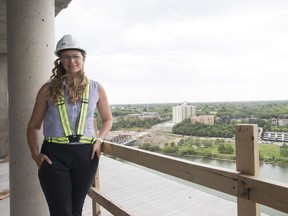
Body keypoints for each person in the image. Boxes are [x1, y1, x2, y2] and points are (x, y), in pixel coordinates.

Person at [26, 34, 113, 216]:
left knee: (75, 210)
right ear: (60, 60)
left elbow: (107, 120)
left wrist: (99, 140)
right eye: (66, 56)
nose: (71, 61)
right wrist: (35, 155)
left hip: (86, 155)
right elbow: (34, 126)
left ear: (83, 59)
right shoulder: (47, 89)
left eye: (76, 56)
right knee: (61, 212)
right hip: (54, 154)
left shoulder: (97, 88)